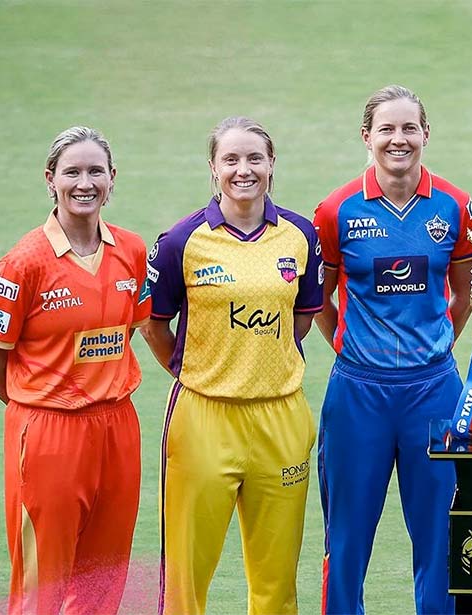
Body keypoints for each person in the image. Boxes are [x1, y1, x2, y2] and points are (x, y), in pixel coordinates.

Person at [140, 117, 323, 615]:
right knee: (185, 580)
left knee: (277, 580)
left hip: (281, 418)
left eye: (254, 159)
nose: (244, 170)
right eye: (231, 160)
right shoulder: (181, 241)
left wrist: (260, 360)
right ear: (213, 169)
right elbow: (155, 326)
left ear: (271, 165)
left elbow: (302, 317)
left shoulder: (301, 235)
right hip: (204, 418)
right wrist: (197, 371)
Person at [0, 126, 150, 614]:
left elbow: (124, 331)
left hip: (117, 427)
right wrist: (35, 403)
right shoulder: (22, 263)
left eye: (96, 171)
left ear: (113, 179)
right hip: (48, 430)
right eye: (72, 172)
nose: (84, 183)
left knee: (103, 576)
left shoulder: (131, 251)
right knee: (43, 583)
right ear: (51, 179)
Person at [313, 84, 472, 615]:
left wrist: (435, 346)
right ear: (367, 137)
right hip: (358, 392)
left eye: (409, 128)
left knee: (441, 537)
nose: (398, 139)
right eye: (387, 129)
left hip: (434, 392)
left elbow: (465, 289)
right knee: (346, 539)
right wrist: (354, 347)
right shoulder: (336, 210)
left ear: (426, 134)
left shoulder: (454, 205)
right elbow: (320, 299)